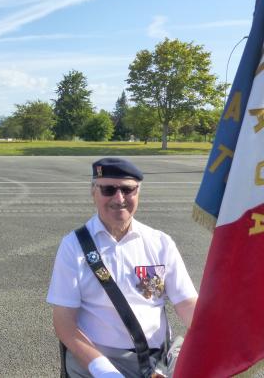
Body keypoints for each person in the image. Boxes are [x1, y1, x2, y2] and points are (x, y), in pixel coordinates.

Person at [46, 157, 198, 378]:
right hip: (97, 358)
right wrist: (101, 367)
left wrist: (212, 337)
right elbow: (64, 322)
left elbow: (186, 303)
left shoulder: (160, 242)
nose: (119, 199)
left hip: (157, 360)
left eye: (128, 190)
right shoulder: (74, 246)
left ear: (138, 192)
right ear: (93, 192)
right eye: (108, 189)